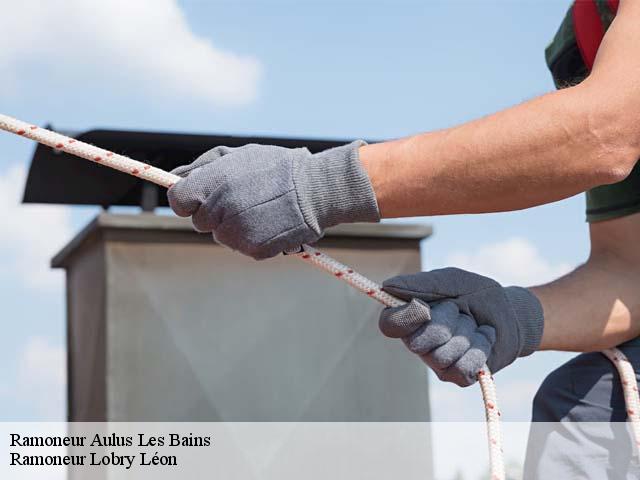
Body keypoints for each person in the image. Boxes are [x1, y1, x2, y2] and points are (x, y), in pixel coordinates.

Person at [168, 0, 640, 475]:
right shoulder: (588, 33)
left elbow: (604, 133)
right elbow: (628, 270)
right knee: (588, 417)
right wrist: (518, 317)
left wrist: (323, 185)